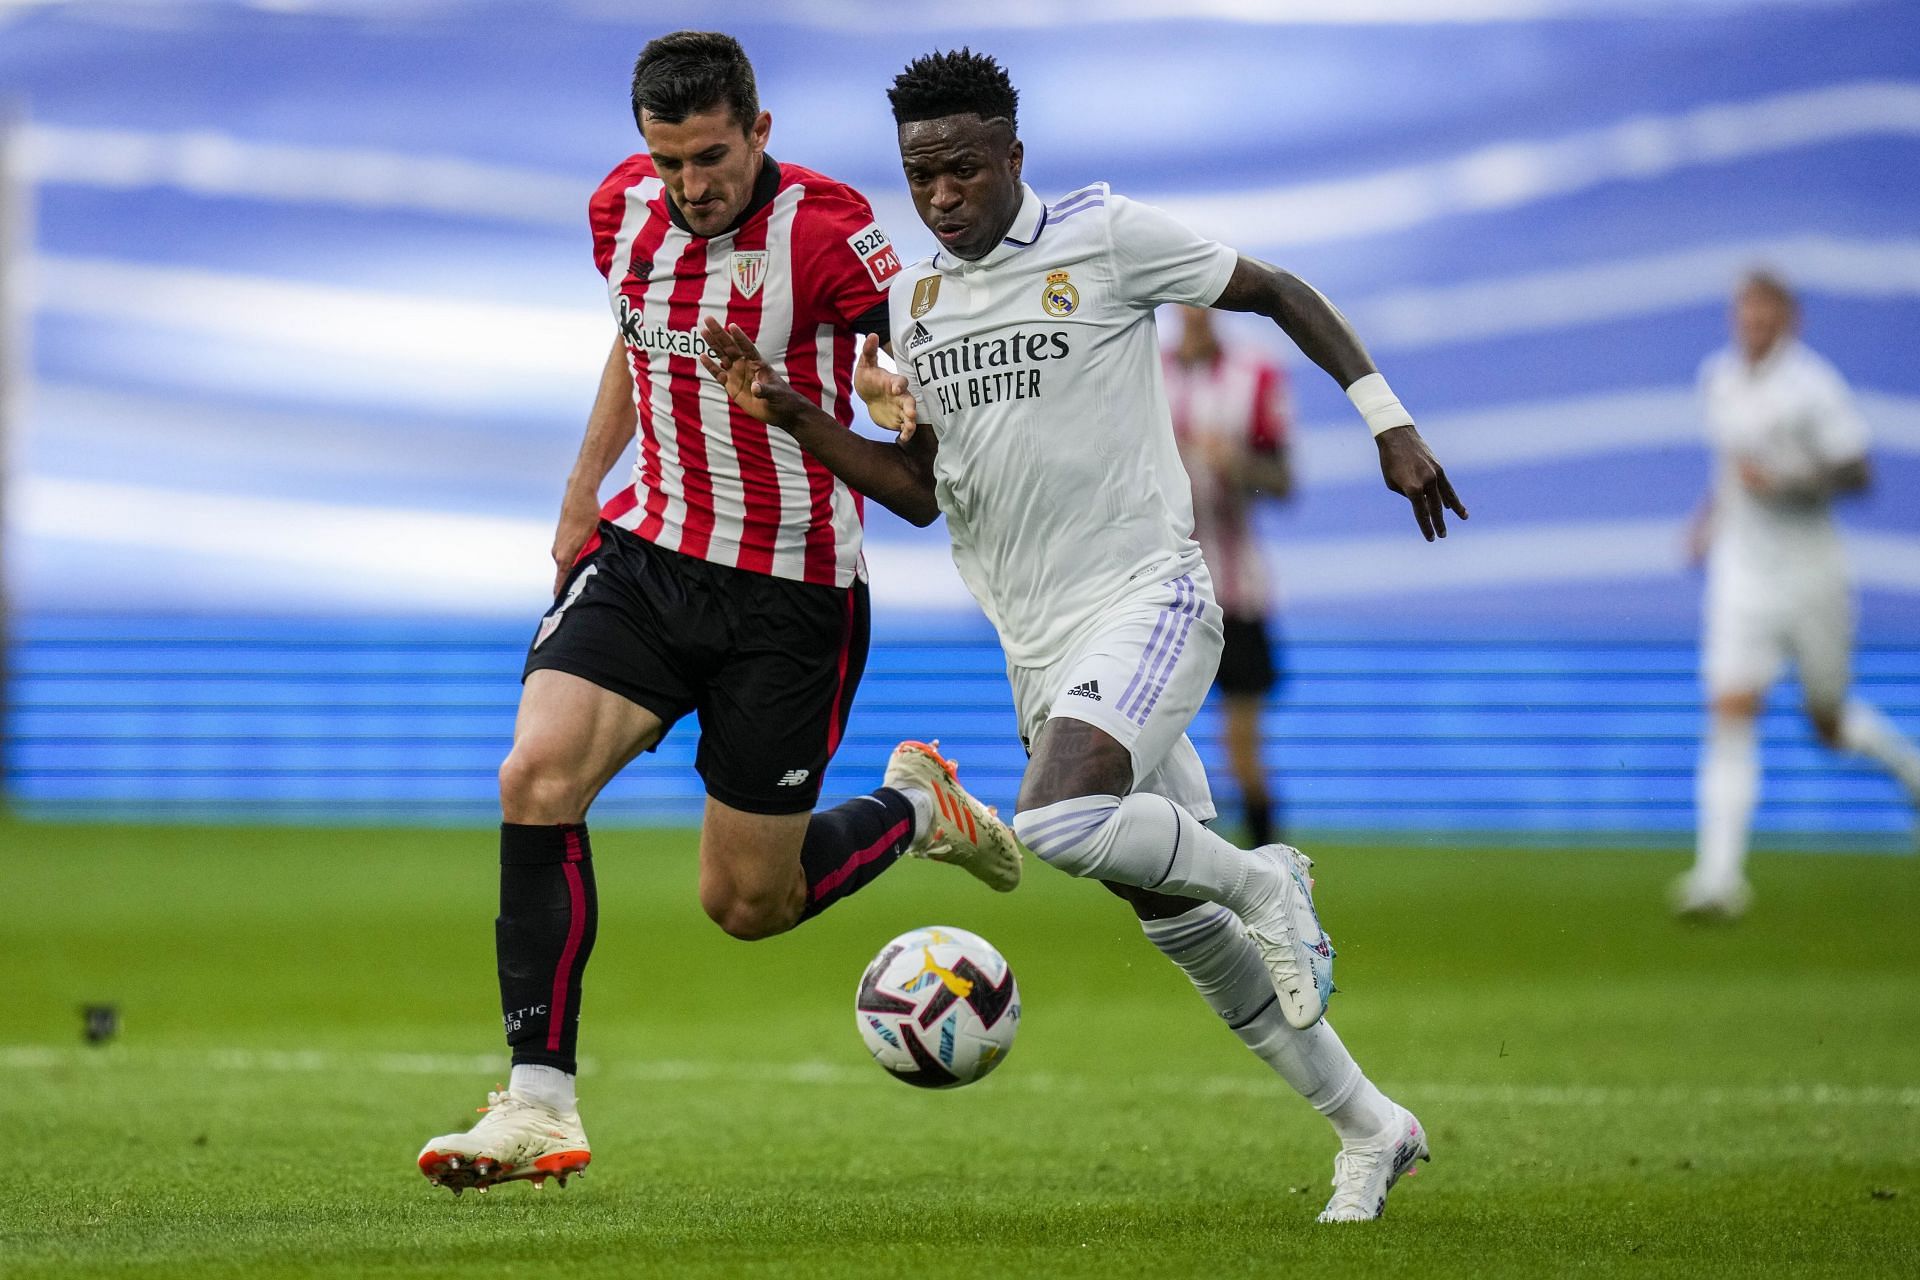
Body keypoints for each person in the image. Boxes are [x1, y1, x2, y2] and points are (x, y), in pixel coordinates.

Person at [700, 48, 1466, 1224]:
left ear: (1014, 156)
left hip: (1148, 592)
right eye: (921, 175)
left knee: (1058, 817)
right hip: (1040, 638)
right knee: (1180, 923)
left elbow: (1277, 289)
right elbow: (914, 489)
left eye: (962, 168)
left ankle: (1269, 875)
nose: (942, 195)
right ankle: (1372, 1126)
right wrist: (793, 410)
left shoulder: (1104, 236)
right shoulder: (915, 303)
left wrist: (1389, 422)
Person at [415, 31, 1022, 1197]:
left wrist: (894, 384)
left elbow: (913, 353)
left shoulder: (833, 232)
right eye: (669, 161)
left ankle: (914, 805)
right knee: (534, 776)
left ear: (760, 132)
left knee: (748, 902)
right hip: (650, 555)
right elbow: (635, 339)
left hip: (790, 594)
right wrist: (583, 490)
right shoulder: (621, 212)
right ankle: (537, 1101)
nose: (692, 186)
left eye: (711, 157)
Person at [1677, 270, 1920, 919]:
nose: (1753, 327)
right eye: (1745, 315)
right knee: (1730, 708)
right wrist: (1706, 526)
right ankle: (1719, 878)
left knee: (1828, 721)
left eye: (1765, 317)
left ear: (1789, 320)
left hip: (1812, 573)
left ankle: (1910, 773)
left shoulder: (1813, 387)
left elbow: (1859, 470)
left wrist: (1791, 478)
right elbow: (1731, 470)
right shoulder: (1718, 379)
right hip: (1743, 575)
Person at [1164, 304, 1294, 846]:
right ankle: (1171, 852)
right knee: (1156, 732)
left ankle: (1271, 858)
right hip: (1162, 584)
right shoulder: (1145, 371)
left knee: (1241, 742)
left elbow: (1283, 481)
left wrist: (1234, 464)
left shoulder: (1254, 374)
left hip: (1236, 585)